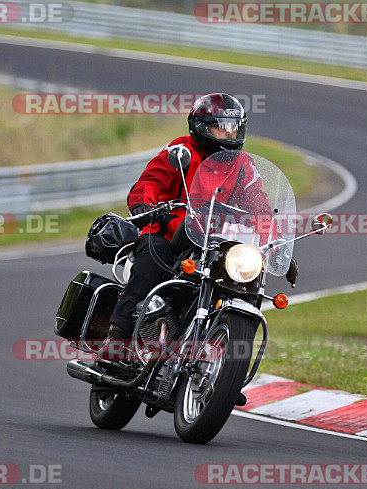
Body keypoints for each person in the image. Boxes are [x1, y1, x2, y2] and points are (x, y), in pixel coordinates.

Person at [98, 93, 297, 360]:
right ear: (201, 127)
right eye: (220, 127)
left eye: (233, 128)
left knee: (249, 282)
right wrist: (144, 207)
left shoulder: (243, 167)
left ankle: (227, 368)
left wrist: (278, 248)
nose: (228, 134)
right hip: (169, 235)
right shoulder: (181, 152)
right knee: (151, 260)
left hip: (217, 243)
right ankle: (117, 336)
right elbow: (150, 183)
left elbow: (260, 209)